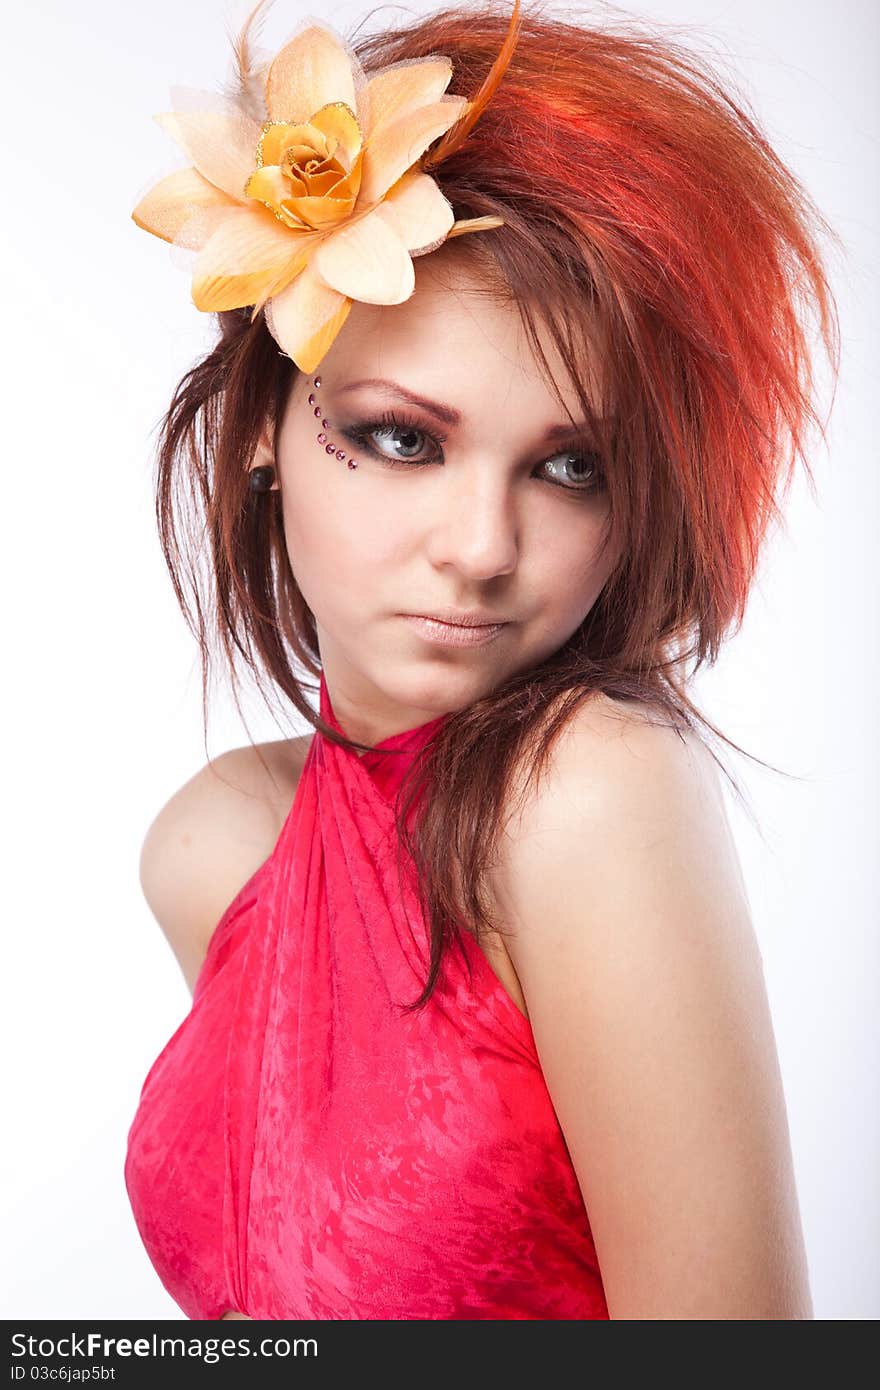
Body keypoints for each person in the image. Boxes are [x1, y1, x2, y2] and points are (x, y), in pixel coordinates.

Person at [125, 0, 839, 1320]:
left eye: (572, 467)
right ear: (261, 430)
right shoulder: (214, 849)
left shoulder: (588, 787)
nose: (482, 547)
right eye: (405, 438)